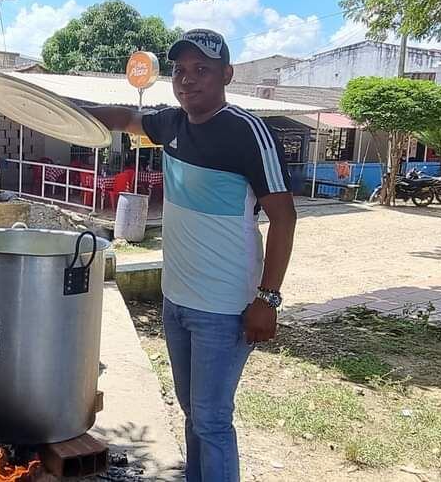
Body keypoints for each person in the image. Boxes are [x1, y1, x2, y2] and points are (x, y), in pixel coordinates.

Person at [86, 29, 297, 481]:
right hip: (176, 299)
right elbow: (124, 117)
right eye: (180, 71)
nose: (188, 80)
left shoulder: (247, 132)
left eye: (202, 70)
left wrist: (268, 299)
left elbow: (284, 219)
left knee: (212, 420)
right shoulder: (172, 123)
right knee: (191, 411)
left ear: (226, 74)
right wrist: (67, 113)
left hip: (225, 307)